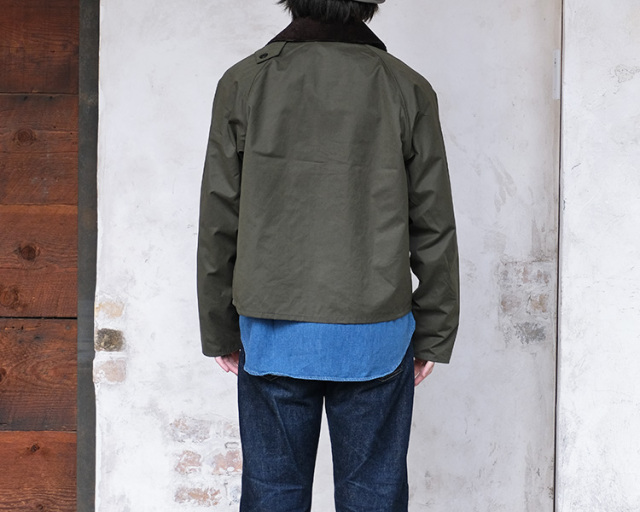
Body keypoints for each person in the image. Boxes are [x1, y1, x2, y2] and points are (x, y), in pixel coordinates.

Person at [197, 0, 459, 510]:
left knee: (273, 496)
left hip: (272, 333)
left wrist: (218, 328)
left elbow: (219, 217)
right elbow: (433, 222)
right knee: (374, 497)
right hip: (375, 336)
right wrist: (435, 329)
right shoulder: (406, 87)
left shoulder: (244, 82)